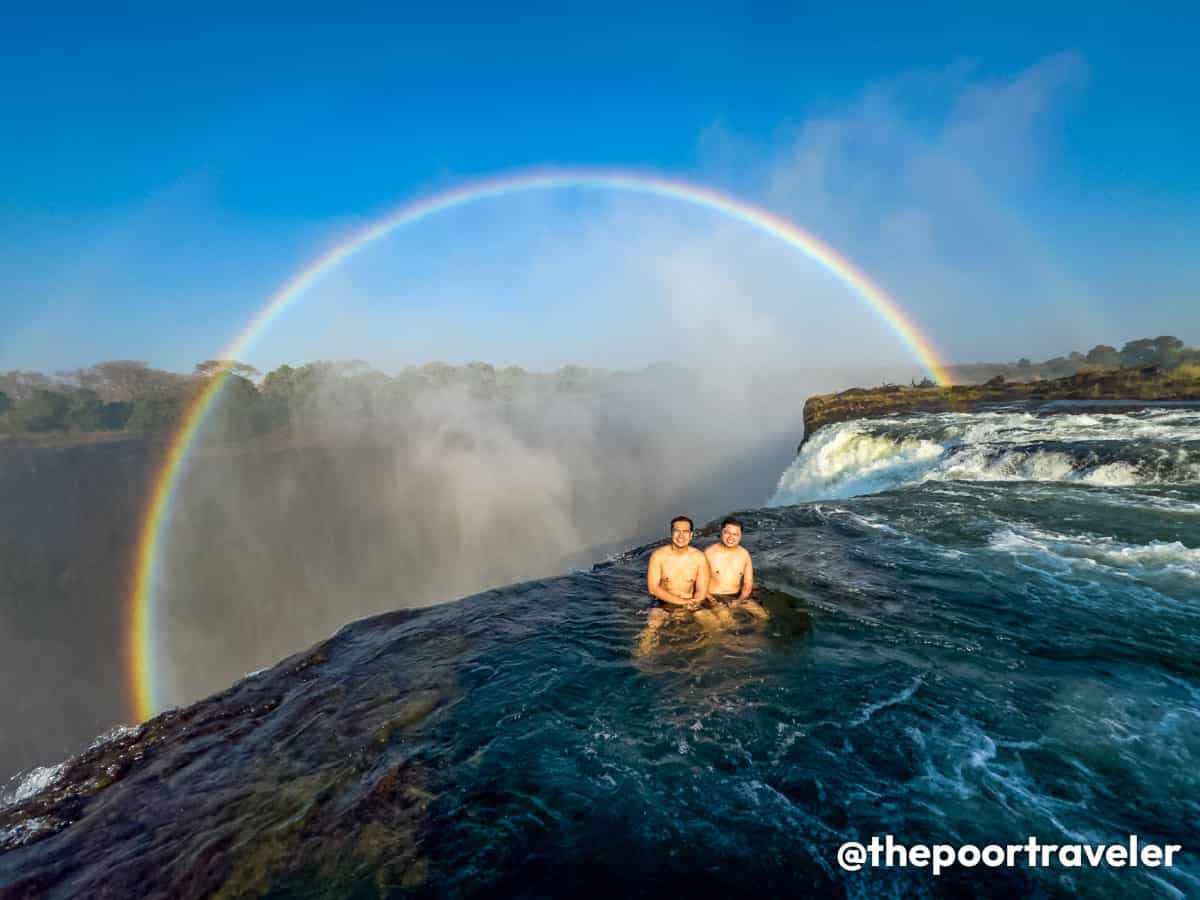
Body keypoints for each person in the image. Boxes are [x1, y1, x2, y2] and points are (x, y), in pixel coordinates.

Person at [639, 515, 720, 654]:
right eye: (677, 531)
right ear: (671, 533)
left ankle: (710, 654)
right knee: (651, 627)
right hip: (663, 603)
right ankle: (642, 660)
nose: (681, 535)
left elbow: (701, 588)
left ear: (691, 535)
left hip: (692, 602)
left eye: (685, 531)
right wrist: (682, 603)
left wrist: (693, 603)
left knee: (715, 626)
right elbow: (653, 588)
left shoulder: (699, 558)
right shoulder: (658, 556)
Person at [705, 517, 769, 620]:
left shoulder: (744, 554)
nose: (731, 538)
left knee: (764, 617)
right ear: (721, 532)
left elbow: (748, 584)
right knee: (727, 620)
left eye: (735, 534)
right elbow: (700, 584)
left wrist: (740, 600)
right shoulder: (709, 553)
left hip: (736, 596)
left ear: (740, 536)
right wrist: (714, 602)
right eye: (727, 533)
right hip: (714, 597)